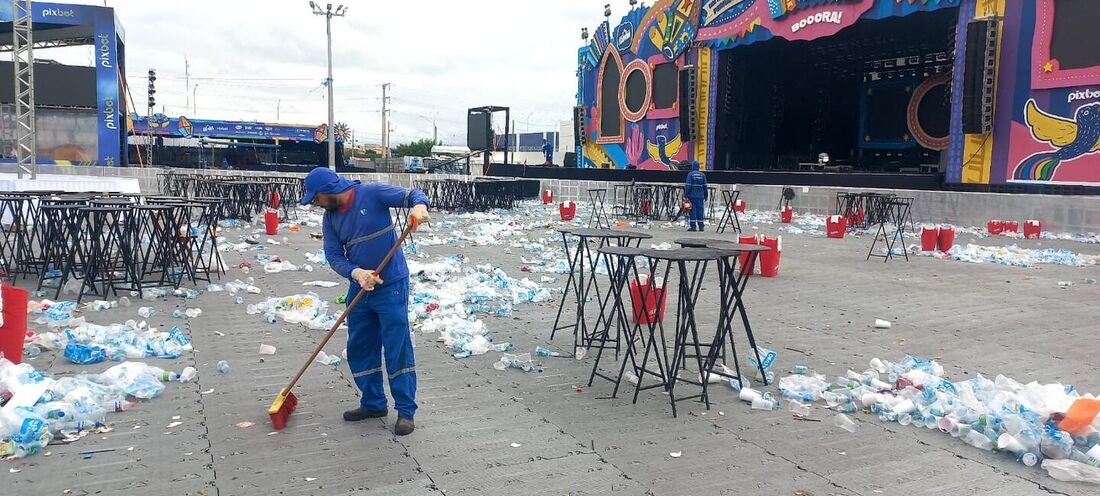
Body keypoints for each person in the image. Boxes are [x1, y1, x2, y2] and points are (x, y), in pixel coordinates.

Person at [299, 167, 430, 436]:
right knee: (360, 345)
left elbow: (414, 194)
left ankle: (406, 411)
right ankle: (373, 403)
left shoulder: (371, 193)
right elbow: (334, 255)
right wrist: (357, 273)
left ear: (329, 191)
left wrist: (419, 206)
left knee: (397, 346)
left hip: (391, 284)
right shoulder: (330, 219)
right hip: (361, 287)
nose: (315, 203)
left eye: (316, 198)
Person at [684, 161, 707, 231]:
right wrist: (706, 195)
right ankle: (701, 226)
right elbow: (705, 187)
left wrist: (686, 194)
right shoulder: (703, 175)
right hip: (700, 196)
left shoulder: (690, 175)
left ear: (692, 166)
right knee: (700, 210)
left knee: (692, 210)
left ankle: (693, 227)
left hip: (692, 196)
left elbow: (688, 185)